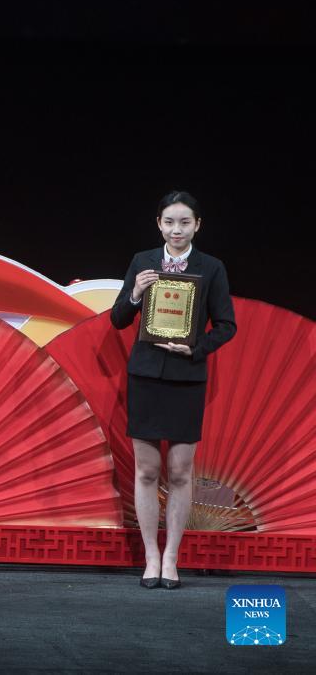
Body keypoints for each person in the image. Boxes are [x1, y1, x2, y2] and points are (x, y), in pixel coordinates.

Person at [111, 190, 235, 590]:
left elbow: (227, 325)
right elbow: (117, 319)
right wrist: (135, 292)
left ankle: (171, 558)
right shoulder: (142, 262)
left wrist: (195, 348)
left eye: (184, 222)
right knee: (147, 471)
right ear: (159, 224)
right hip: (145, 377)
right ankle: (150, 556)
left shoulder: (211, 267)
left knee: (180, 473)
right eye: (169, 222)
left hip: (186, 378)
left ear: (197, 225)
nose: (176, 229)